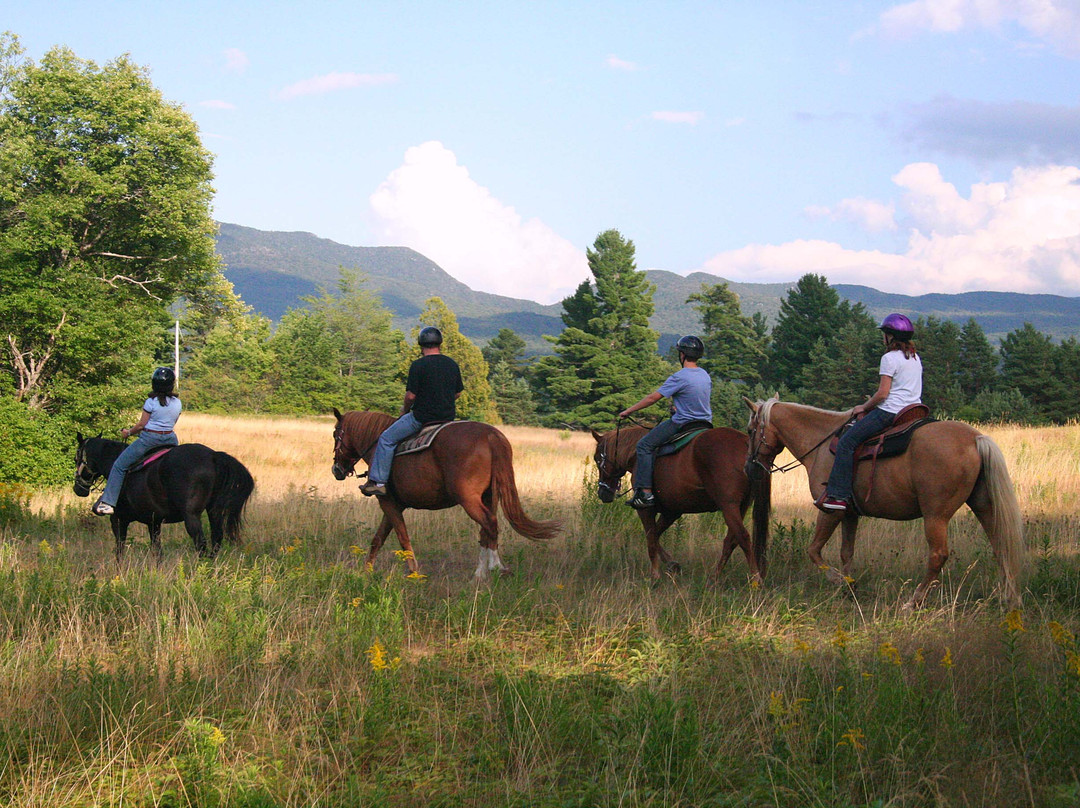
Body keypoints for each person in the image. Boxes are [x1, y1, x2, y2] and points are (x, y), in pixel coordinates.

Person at [821, 313, 923, 512]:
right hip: (913, 411)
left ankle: (839, 496)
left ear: (890, 336)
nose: (883, 337)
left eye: (884, 334)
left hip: (890, 412)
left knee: (847, 442)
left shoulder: (889, 358)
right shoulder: (914, 357)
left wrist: (864, 407)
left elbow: (883, 394)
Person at [361, 326, 464, 497]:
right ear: (440, 343)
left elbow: (410, 396)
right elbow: (458, 393)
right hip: (447, 419)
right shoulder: (451, 364)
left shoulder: (418, 365)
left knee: (386, 439)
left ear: (421, 344)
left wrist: (404, 411)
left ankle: (378, 482)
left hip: (422, 418)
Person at [618, 335, 712, 510]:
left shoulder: (679, 376)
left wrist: (628, 411)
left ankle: (645, 493)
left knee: (644, 445)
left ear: (682, 355)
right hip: (705, 423)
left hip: (683, 423)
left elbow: (653, 398)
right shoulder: (704, 375)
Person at [92, 367, 182, 516]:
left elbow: (142, 425)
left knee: (119, 466)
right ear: (171, 384)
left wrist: (128, 432)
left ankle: (108, 503)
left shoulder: (150, 402)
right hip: (171, 439)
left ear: (154, 384)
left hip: (150, 440)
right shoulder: (177, 403)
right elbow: (173, 421)